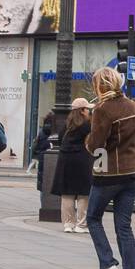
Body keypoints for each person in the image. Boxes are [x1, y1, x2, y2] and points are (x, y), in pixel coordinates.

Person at [85, 67, 135, 269]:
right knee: (124, 226)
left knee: (93, 217)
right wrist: (129, 141)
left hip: (109, 171)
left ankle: (107, 263)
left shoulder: (102, 109)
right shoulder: (132, 105)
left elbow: (96, 144)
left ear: (99, 85)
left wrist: (89, 141)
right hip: (131, 171)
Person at [51, 98, 94, 233]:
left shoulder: (67, 124)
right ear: (82, 111)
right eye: (87, 109)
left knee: (67, 193)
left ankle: (68, 224)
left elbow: (59, 139)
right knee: (83, 193)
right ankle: (81, 224)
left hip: (65, 160)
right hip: (82, 160)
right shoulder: (88, 125)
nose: (89, 111)